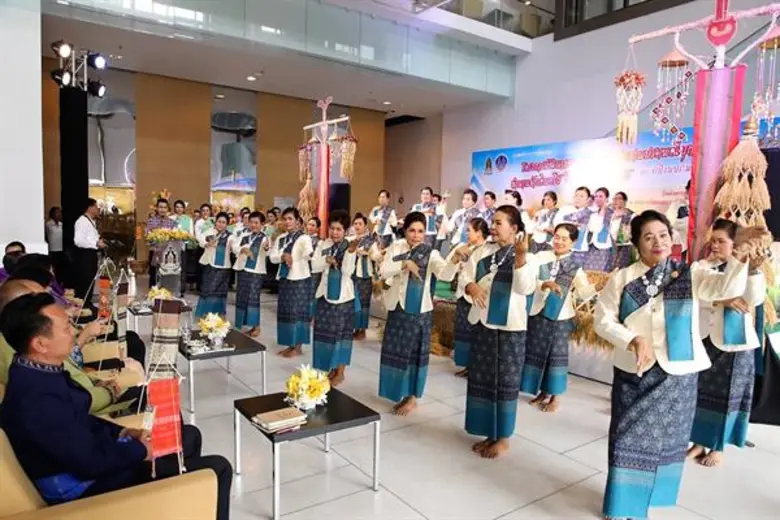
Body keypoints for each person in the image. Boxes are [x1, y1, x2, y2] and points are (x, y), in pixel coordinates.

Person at [0, 292, 232, 519]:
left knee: (187, 436)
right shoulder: (36, 399)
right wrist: (141, 451)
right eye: (66, 328)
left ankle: (180, 497)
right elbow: (89, 462)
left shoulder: (37, 371)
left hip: (89, 459)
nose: (74, 332)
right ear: (40, 344)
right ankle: (179, 489)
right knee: (217, 469)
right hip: (87, 489)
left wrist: (124, 432)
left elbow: (79, 419)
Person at [594, 210, 750, 520]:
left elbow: (724, 289)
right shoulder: (622, 278)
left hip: (678, 375)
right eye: (648, 237)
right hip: (635, 371)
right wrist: (632, 339)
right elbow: (603, 320)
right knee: (626, 438)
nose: (658, 242)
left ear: (671, 237)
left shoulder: (690, 273)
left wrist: (740, 256)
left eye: (663, 235)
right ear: (637, 243)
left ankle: (651, 498)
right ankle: (622, 505)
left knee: (667, 441)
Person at [688, 219, 766, 467]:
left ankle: (718, 446)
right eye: (713, 241)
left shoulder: (746, 266)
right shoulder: (701, 266)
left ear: (735, 244)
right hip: (705, 338)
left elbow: (753, 299)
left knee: (728, 396)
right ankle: (698, 442)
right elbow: (696, 294)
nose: (715, 245)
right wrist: (721, 300)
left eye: (721, 241)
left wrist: (752, 271)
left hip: (735, 343)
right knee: (700, 393)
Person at [459, 205, 536, 459]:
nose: (492, 227)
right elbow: (464, 277)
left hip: (510, 329)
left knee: (505, 383)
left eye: (499, 222)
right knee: (483, 379)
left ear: (514, 228)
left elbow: (525, 288)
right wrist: (471, 287)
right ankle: (488, 432)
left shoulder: (528, 257)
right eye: (492, 222)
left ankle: (503, 438)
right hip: (484, 325)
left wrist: (521, 258)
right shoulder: (482, 252)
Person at [378, 211, 457, 416]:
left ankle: (412, 397)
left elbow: (445, 274)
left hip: (418, 312)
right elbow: (384, 271)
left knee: (414, 354)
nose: (416, 235)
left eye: (420, 231)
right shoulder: (396, 247)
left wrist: (454, 259)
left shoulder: (431, 253)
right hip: (397, 308)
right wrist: (404, 264)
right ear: (405, 231)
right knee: (396, 351)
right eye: (412, 230)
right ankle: (399, 392)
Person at [521, 223, 595, 412]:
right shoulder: (540, 257)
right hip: (538, 312)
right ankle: (542, 392)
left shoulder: (575, 267)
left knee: (556, 357)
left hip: (560, 318)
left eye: (564, 239)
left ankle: (555, 398)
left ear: (573, 242)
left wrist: (599, 286)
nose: (559, 242)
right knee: (537, 352)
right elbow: (528, 279)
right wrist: (544, 285)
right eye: (556, 237)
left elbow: (584, 293)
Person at [312, 210, 358, 386]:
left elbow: (347, 271)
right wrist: (326, 260)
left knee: (341, 335)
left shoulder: (349, 246)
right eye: (332, 228)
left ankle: (340, 372)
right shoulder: (324, 244)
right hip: (324, 294)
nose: (335, 232)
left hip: (343, 298)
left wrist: (350, 254)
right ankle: (330, 368)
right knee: (325, 334)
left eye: (339, 229)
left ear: (345, 230)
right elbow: (315, 266)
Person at [445, 217, 489, 378]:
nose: (466, 233)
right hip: (462, 294)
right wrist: (456, 257)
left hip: (478, 296)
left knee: (475, 333)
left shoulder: (487, 251)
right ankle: (466, 365)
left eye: (469, 230)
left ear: (479, 232)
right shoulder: (463, 247)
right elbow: (447, 267)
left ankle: (476, 366)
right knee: (463, 330)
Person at [269, 207, 314, 358]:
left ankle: (298, 346)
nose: (287, 222)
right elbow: (272, 257)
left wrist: (310, 254)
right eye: (285, 219)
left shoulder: (304, 238)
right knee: (286, 312)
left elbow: (308, 252)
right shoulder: (281, 238)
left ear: (298, 221)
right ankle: (290, 344)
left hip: (300, 279)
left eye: (290, 219)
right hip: (285, 278)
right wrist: (282, 257)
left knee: (298, 313)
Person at [232, 211, 269, 338]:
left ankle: (256, 326)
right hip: (243, 270)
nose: (253, 225)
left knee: (253, 299)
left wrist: (266, 248)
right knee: (242, 297)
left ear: (262, 224)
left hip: (256, 272)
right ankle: (247, 324)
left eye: (256, 223)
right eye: (251, 222)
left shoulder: (264, 238)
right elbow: (235, 248)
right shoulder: (244, 235)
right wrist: (241, 249)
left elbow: (267, 249)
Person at [195, 212, 233, 318]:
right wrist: (206, 244)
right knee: (208, 289)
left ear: (227, 224)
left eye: (223, 222)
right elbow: (200, 239)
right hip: (209, 265)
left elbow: (235, 246)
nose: (221, 224)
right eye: (219, 221)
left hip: (223, 267)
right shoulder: (209, 232)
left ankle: (219, 314)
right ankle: (206, 313)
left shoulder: (230, 236)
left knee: (220, 291)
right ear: (215, 222)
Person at [350, 213, 380, 340]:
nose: (357, 226)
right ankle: (354, 327)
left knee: (363, 303)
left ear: (365, 226)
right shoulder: (350, 239)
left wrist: (369, 253)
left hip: (364, 275)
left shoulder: (370, 241)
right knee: (353, 302)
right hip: (351, 274)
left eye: (360, 224)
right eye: (355, 224)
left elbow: (376, 256)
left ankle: (362, 330)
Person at [73, 198, 105, 306]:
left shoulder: (91, 221)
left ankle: (87, 303)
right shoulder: (82, 221)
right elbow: (78, 241)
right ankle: (83, 305)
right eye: (95, 206)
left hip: (91, 254)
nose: (97, 209)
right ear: (89, 208)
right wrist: (96, 243)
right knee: (85, 280)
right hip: (85, 255)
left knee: (90, 280)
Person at [556, 186, 593, 265]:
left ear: (588, 199)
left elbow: (593, 229)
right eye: (576, 195)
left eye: (582, 196)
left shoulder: (590, 213)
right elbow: (556, 223)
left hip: (580, 250)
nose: (578, 198)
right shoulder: (565, 209)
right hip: (564, 248)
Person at [146, 198, 177, 288]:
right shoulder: (151, 221)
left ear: (168, 209)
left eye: (164, 207)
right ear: (157, 208)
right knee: (154, 275)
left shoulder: (172, 222)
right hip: (154, 252)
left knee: (167, 275)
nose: (162, 209)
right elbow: (147, 237)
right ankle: (153, 293)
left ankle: (166, 292)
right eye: (160, 207)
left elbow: (175, 237)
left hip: (168, 254)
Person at [584, 187, 615, 272]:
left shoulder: (612, 213)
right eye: (596, 196)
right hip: (592, 246)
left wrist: (604, 210)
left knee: (600, 274)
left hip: (604, 248)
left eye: (601, 196)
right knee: (588, 272)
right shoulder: (593, 213)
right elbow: (592, 228)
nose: (597, 198)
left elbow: (612, 230)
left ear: (607, 198)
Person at [666, 179, 691, 262]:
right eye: (692, 190)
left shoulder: (703, 210)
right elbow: (669, 224)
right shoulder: (677, 205)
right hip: (678, 247)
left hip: (696, 249)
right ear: (687, 191)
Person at [611, 191, 635, 269]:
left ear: (624, 201)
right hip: (609, 245)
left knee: (620, 268)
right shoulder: (610, 213)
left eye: (619, 198)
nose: (616, 200)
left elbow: (632, 231)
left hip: (623, 246)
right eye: (615, 198)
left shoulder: (631, 215)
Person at [306, 217, 323, 319]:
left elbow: (318, 258)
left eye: (313, 225)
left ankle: (311, 315)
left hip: (314, 270)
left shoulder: (319, 242)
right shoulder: (303, 238)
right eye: (309, 224)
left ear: (317, 228)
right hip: (303, 269)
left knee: (312, 293)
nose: (310, 227)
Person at [45, 206, 67, 284]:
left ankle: (60, 282)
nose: (59, 214)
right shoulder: (48, 224)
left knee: (61, 268)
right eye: (57, 212)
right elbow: (46, 236)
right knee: (53, 267)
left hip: (61, 249)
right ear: (52, 213)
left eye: (59, 212)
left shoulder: (62, 224)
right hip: (52, 249)